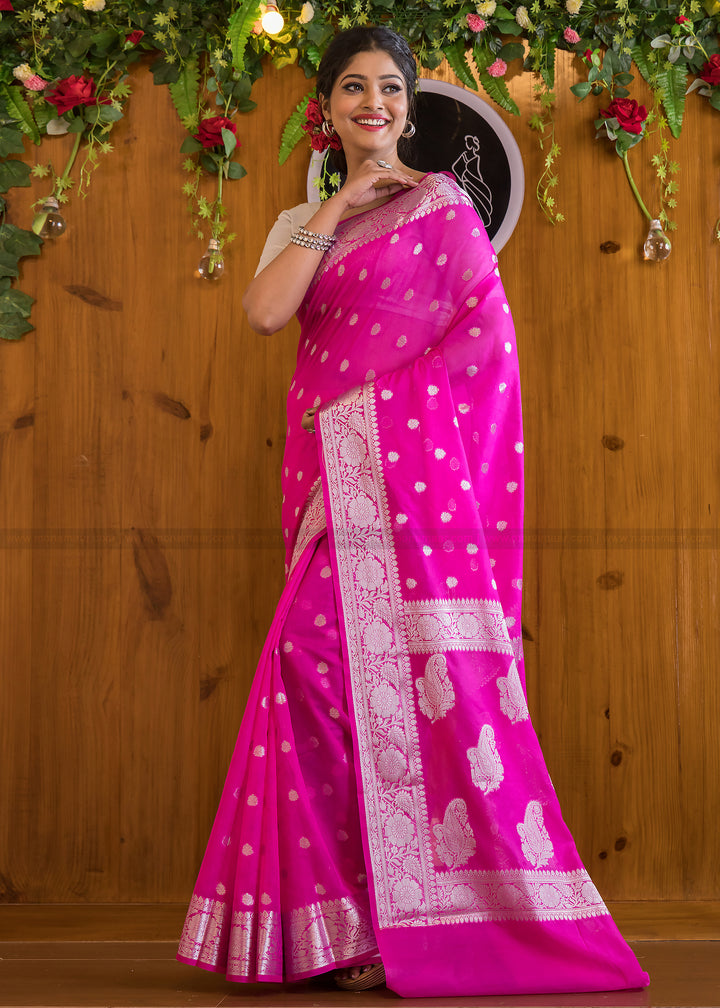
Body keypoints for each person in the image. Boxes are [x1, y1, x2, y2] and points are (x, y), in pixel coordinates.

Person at [177, 26, 650, 998]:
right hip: (330, 497)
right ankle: (333, 932)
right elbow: (268, 315)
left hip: (420, 499)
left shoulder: (447, 213)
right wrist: (342, 201)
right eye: (354, 88)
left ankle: (418, 926)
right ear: (330, 106)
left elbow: (487, 361)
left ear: (407, 105)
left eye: (389, 88)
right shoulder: (304, 220)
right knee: (310, 679)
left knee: (395, 694)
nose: (374, 104)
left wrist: (370, 423)